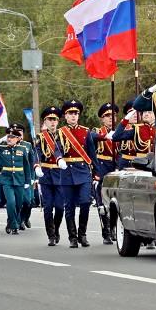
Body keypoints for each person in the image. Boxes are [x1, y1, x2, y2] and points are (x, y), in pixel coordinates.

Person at [57, 100, 96, 247]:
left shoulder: (86, 131)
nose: (73, 116)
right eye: (70, 114)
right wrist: (59, 159)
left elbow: (92, 153)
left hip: (83, 170)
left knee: (85, 202)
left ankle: (82, 234)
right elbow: (57, 148)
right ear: (65, 116)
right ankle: (72, 237)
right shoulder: (61, 132)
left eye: (76, 113)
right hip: (67, 172)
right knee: (69, 206)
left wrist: (96, 172)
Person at [0, 126, 31, 234]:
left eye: (12, 137)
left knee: (19, 204)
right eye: (8, 137)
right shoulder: (1, 148)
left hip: (19, 180)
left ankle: (10, 221)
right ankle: (14, 226)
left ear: (17, 138)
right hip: (6, 180)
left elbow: (26, 166)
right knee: (11, 202)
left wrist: (28, 181)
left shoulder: (23, 149)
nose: (9, 139)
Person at [34, 106, 66, 247]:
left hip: (60, 175)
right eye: (49, 120)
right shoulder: (40, 137)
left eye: (55, 120)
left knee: (60, 207)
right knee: (48, 207)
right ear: (45, 122)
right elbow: (37, 153)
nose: (52, 122)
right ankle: (51, 235)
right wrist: (37, 166)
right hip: (46, 175)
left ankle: (56, 228)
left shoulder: (63, 136)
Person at [92, 102, 119, 244]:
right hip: (102, 167)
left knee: (116, 200)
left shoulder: (120, 130)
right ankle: (106, 231)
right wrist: (106, 136)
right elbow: (91, 137)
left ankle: (114, 227)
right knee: (103, 202)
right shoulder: (98, 131)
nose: (110, 118)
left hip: (116, 166)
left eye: (113, 115)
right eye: (107, 116)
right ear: (102, 118)